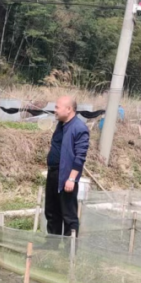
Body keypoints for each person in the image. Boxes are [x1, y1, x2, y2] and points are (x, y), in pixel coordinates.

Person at [45, 95, 89, 237]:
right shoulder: (61, 125)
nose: (55, 110)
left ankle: (69, 247)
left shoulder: (79, 128)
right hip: (53, 173)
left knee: (68, 215)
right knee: (52, 212)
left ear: (69, 109)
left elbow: (80, 157)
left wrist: (71, 179)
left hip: (66, 177)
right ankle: (52, 243)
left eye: (57, 107)